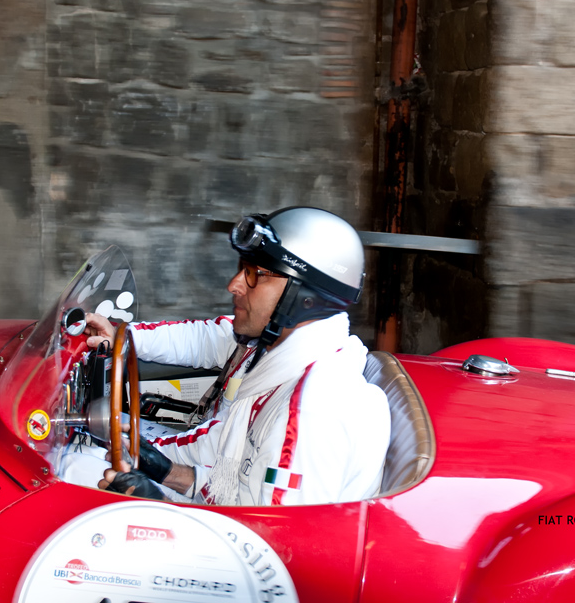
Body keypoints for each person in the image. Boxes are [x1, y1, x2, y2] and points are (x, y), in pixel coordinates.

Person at [83, 206, 391, 506]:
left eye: (255, 274)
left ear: (304, 298)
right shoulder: (273, 350)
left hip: (243, 546)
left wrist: (158, 504)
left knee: (76, 473)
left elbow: (274, 542)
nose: (234, 285)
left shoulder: (312, 412)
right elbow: (236, 490)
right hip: (221, 518)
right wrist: (165, 471)